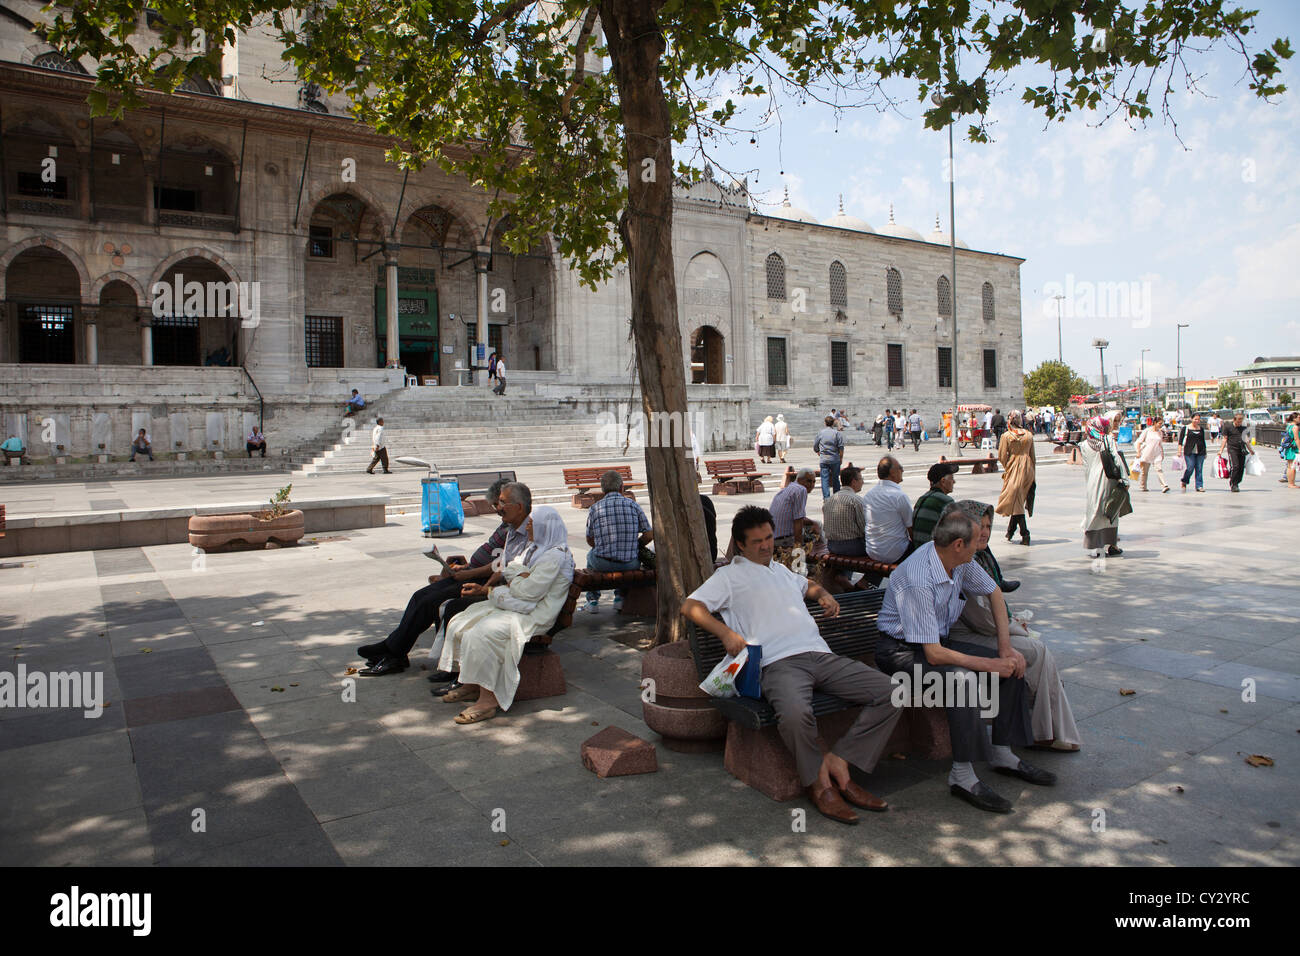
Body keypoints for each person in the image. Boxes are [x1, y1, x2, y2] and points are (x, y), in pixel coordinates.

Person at [681, 506, 903, 824]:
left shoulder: (782, 570)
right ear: (740, 545)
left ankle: (841, 761)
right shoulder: (728, 577)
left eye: (769, 537)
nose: (766, 545)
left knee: (892, 692)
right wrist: (726, 633)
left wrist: (824, 593)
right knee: (797, 715)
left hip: (820, 656)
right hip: (776, 664)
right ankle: (820, 784)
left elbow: (807, 587)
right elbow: (690, 605)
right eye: (757, 541)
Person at [873, 509, 1051, 813]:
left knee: (1012, 666)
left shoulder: (958, 561)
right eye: (976, 538)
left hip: (935, 644)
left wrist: (1005, 650)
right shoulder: (918, 577)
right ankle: (962, 775)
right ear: (958, 544)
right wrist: (989, 665)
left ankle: (1002, 753)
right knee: (963, 680)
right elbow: (933, 655)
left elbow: (994, 591)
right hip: (900, 652)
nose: (981, 541)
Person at [946, 500, 1079, 752]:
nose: (984, 531)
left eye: (987, 525)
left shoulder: (978, 557)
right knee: (1034, 651)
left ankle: (1046, 728)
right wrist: (1014, 628)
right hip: (960, 637)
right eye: (979, 525)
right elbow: (980, 620)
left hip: (981, 631)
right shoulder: (960, 558)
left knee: (1035, 650)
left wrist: (1012, 626)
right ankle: (1045, 729)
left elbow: (994, 596)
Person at [357, 478, 518, 676]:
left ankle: (393, 651)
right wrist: (464, 567)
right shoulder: (507, 525)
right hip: (471, 573)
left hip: (482, 582)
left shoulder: (519, 530)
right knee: (420, 596)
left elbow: (501, 566)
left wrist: (469, 572)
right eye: (496, 504)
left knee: (430, 602)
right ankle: (392, 648)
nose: (498, 509)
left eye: (501, 504)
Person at [437, 507, 575, 723]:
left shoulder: (555, 556)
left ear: (545, 527)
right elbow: (512, 570)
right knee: (462, 621)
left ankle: (488, 699)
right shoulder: (536, 548)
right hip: (521, 605)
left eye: (532, 523)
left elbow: (529, 591)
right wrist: (514, 579)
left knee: (482, 633)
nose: (528, 526)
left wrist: (508, 584)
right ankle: (472, 684)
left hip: (536, 615)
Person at [583, 470, 652, 612]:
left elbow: (590, 539)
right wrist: (634, 545)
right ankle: (619, 597)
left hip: (602, 564)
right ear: (622, 487)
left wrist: (603, 545)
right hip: (630, 563)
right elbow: (649, 534)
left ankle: (593, 600)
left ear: (602, 489)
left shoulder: (595, 508)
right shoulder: (633, 505)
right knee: (623, 557)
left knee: (590, 556)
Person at [1080, 412, 1130, 558]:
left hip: (1092, 482)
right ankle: (1111, 545)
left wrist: (1089, 482)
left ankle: (1095, 546)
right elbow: (1117, 459)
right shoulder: (1107, 440)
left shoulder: (1084, 444)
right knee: (1110, 511)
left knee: (1094, 511)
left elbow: (1086, 466)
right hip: (1108, 480)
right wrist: (1125, 480)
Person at [863, 455, 914, 564]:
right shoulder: (899, 496)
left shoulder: (869, 495)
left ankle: (865, 581)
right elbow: (911, 528)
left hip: (872, 550)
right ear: (892, 472)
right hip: (896, 553)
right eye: (900, 468)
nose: (903, 470)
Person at [996, 411, 1036, 545]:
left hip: (1014, 467)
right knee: (1017, 499)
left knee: (1015, 499)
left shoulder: (1006, 436)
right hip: (1028, 468)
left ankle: (1025, 534)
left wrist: (1009, 465)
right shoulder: (1029, 435)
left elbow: (1002, 456)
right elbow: (1033, 456)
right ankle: (1010, 530)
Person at [822, 465, 868, 556]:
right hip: (853, 547)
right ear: (854, 482)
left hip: (832, 545)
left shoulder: (829, 500)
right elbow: (865, 528)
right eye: (861, 479)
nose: (863, 482)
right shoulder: (856, 500)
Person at [911, 462, 959, 547]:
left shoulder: (922, 498)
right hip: (933, 552)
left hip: (918, 550)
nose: (954, 482)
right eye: (952, 478)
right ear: (943, 481)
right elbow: (957, 530)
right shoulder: (946, 501)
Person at [770, 467, 818, 549]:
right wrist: (798, 549)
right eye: (809, 481)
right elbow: (798, 521)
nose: (812, 485)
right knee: (819, 537)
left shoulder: (788, 488)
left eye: (814, 482)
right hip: (784, 540)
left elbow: (794, 516)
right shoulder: (801, 490)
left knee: (816, 524)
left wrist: (813, 523)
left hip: (773, 537)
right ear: (799, 479)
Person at [1218, 411, 1254, 493]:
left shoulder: (1243, 428)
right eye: (1238, 422)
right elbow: (1225, 439)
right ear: (1234, 420)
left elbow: (1246, 440)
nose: (1239, 423)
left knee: (1241, 468)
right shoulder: (1228, 427)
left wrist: (1251, 450)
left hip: (1242, 449)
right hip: (1232, 449)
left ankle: (1236, 481)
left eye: (1241, 422)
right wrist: (1220, 451)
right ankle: (1234, 484)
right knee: (1235, 466)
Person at [813, 415, 845, 499]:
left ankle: (826, 498)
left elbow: (815, 445)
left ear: (825, 423)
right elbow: (841, 447)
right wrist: (841, 458)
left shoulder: (821, 433)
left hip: (824, 459)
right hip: (834, 458)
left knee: (824, 479)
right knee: (835, 478)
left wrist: (817, 451)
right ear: (833, 423)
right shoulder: (837, 433)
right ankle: (836, 497)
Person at [1134, 417, 1169, 492]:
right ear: (1155, 423)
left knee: (1159, 469)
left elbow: (1160, 444)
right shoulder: (1147, 431)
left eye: (1161, 424)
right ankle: (1143, 486)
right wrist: (1138, 452)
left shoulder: (1160, 432)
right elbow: (1139, 442)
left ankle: (1164, 485)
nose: (1160, 425)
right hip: (1147, 453)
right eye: (1159, 423)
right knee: (1144, 472)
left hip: (1157, 453)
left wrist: (1162, 453)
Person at [1178, 413, 1208, 492]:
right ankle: (1184, 480)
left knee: (1199, 469)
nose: (1197, 421)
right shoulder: (1186, 428)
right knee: (1190, 467)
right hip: (1189, 451)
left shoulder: (1201, 429)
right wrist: (1179, 451)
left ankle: (1199, 485)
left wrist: (1205, 452)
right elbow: (1180, 441)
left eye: (1198, 419)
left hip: (1200, 451)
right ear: (1191, 419)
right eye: (1195, 419)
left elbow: (1203, 440)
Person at [1281, 412, 1299, 489]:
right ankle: (1291, 483)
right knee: (1292, 466)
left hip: (1289, 448)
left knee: (1289, 466)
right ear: (1294, 418)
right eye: (1299, 417)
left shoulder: (1289, 426)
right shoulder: (1295, 427)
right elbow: (1296, 439)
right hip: (1294, 448)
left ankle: (1290, 483)